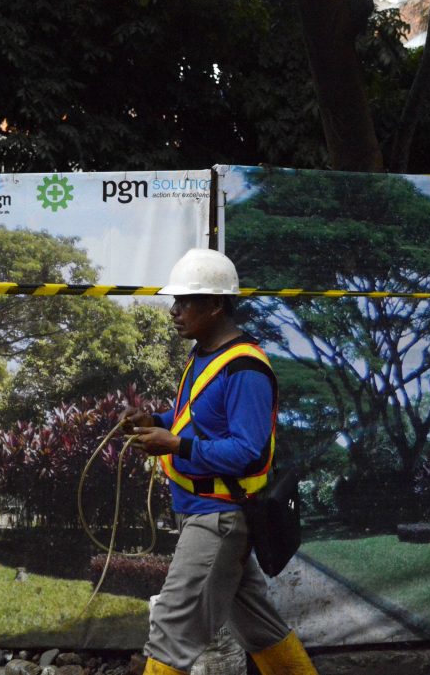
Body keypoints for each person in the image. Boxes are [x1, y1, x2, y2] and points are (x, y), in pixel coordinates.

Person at [122, 248, 318, 675]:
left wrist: (175, 445)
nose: (174, 311)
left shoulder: (245, 368)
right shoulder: (203, 355)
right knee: (260, 628)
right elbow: (198, 421)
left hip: (220, 517)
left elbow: (249, 452)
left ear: (215, 304)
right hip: (206, 513)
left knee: (170, 631)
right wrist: (153, 421)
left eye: (185, 302)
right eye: (174, 302)